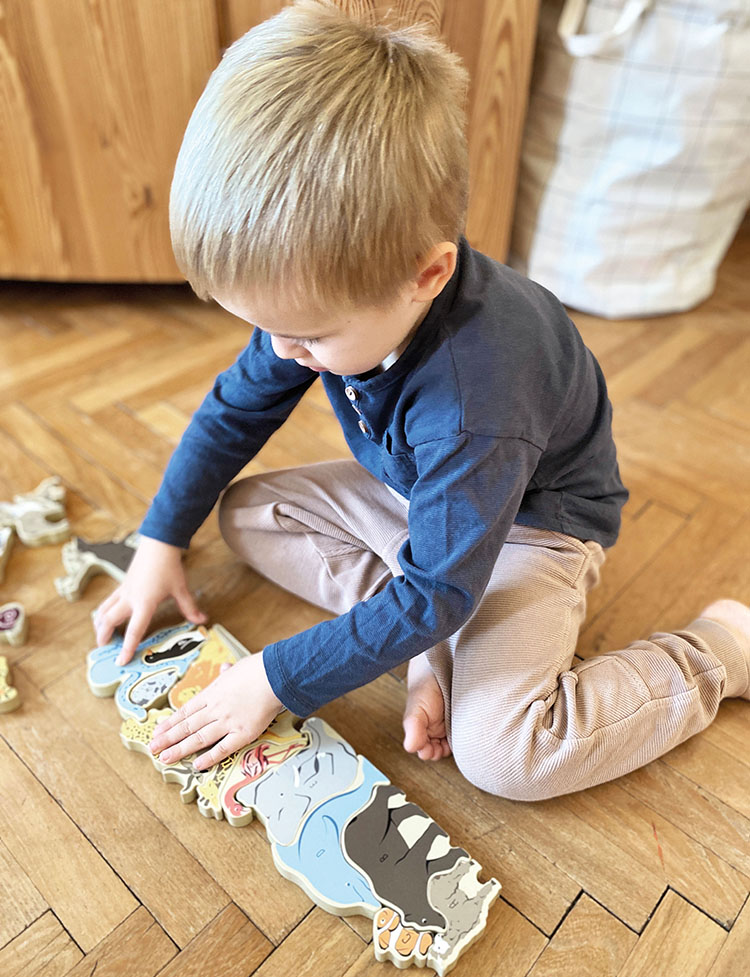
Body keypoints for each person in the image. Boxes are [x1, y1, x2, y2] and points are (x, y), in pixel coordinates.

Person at [94, 0, 750, 801]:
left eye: (306, 336)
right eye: (264, 327)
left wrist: (275, 677)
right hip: (424, 499)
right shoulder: (326, 304)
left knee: (507, 755)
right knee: (248, 515)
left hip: (530, 530)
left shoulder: (479, 398)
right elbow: (238, 408)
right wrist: (161, 538)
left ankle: (719, 649)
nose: (282, 350)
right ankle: (422, 644)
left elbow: (441, 587)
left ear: (428, 275)